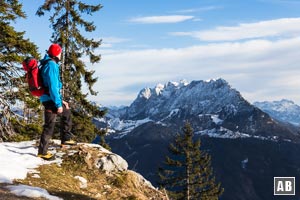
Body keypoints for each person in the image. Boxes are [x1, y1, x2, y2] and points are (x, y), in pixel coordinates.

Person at [37, 43, 76, 160]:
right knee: (49, 125)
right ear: (56, 54)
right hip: (50, 99)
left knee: (66, 112)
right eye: (60, 53)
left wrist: (61, 101)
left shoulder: (46, 64)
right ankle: (43, 152)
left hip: (48, 98)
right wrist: (58, 104)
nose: (61, 55)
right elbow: (53, 87)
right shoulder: (52, 65)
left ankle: (66, 139)